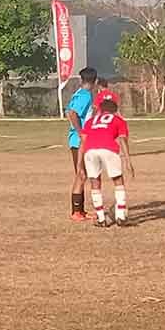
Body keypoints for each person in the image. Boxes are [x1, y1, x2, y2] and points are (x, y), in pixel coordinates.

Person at [78, 98, 134, 227]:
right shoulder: (118, 120)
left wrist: (79, 163)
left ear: (100, 110)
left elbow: (83, 141)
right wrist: (128, 161)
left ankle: (101, 218)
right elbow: (122, 140)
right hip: (108, 149)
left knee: (95, 182)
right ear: (115, 111)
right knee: (118, 180)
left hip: (90, 151)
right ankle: (121, 216)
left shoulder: (90, 121)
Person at [67, 67, 98, 221]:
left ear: (81, 79)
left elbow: (70, 111)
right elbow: (72, 113)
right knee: (81, 175)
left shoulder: (79, 93)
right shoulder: (85, 95)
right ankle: (76, 212)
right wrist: (81, 132)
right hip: (79, 141)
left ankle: (80, 210)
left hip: (78, 140)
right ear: (95, 81)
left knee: (82, 174)